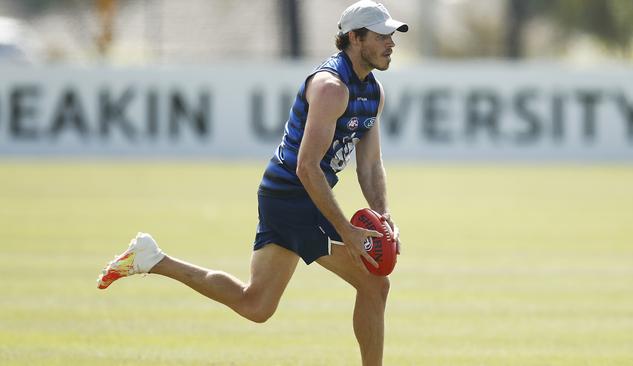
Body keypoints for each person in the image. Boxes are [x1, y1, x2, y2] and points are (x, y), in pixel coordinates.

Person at [97, 1, 407, 365]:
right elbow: (307, 168)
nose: (391, 43)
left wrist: (383, 216)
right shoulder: (330, 88)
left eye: (392, 35)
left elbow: (369, 166)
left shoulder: (373, 92)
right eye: (381, 35)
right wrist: (347, 232)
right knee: (374, 284)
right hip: (294, 195)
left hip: (286, 194)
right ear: (355, 38)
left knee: (255, 304)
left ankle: (152, 258)